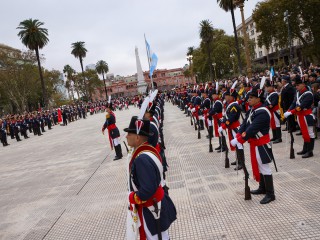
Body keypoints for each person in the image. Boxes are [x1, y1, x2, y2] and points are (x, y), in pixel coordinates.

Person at [125, 116, 176, 240]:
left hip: (152, 211)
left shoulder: (142, 159)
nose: (126, 136)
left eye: (129, 133)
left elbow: (147, 190)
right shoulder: (148, 150)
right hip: (156, 207)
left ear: (137, 138)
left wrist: (131, 196)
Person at [231, 83, 276, 204]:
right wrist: (238, 135)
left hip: (261, 143)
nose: (249, 100)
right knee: (259, 165)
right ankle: (262, 188)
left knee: (265, 167)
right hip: (255, 142)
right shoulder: (253, 110)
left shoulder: (262, 112)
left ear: (258, 99)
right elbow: (244, 124)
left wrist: (240, 139)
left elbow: (252, 129)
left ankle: (270, 194)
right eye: (248, 98)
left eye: (251, 98)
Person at [284, 77, 315, 158]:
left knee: (310, 133)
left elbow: (301, 106)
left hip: (307, 116)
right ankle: (305, 149)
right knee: (304, 133)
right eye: (296, 85)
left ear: (303, 84)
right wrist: (288, 110)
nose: (296, 87)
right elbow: (294, 103)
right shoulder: (298, 93)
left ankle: (310, 151)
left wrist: (291, 112)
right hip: (300, 116)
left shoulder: (308, 94)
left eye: (298, 85)